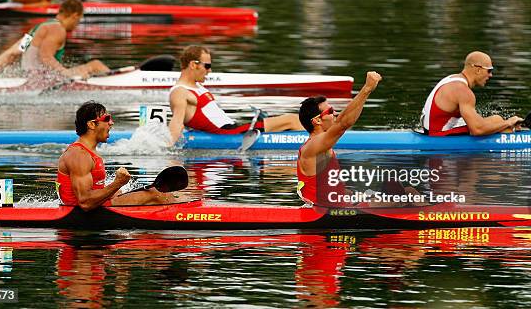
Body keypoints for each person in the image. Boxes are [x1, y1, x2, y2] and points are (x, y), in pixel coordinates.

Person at [168, 45, 304, 145]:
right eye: (207, 66)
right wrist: (166, 150)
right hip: (230, 133)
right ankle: (319, 145)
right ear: (193, 65)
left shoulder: (196, 86)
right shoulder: (180, 92)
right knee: (292, 120)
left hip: (234, 127)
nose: (209, 71)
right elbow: (177, 123)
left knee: (291, 121)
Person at [57, 101, 178, 211]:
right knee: (157, 194)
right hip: (83, 214)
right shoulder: (79, 155)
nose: (111, 123)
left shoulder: (88, 152)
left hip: (98, 208)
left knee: (161, 192)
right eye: (107, 119)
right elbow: (85, 203)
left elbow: (93, 192)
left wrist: (115, 191)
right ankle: (182, 215)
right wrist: (117, 183)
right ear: (92, 124)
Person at [0, 0, 109, 79]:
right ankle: (118, 81)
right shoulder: (58, 29)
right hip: (42, 81)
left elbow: (12, 53)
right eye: (79, 20)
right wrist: (68, 73)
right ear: (75, 16)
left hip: (33, 78)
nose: (77, 24)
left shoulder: (39, 28)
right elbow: (45, 57)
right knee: (96, 65)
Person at [297, 72, 382, 206]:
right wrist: (367, 89)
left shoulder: (322, 145)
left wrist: (357, 195)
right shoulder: (312, 146)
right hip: (325, 213)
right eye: (330, 111)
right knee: (397, 198)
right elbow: (344, 123)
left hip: (334, 208)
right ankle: (425, 218)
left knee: (404, 190)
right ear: (317, 120)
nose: (335, 113)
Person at [421, 51, 523, 136]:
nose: (491, 75)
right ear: (478, 70)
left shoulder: (453, 78)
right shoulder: (463, 91)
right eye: (489, 71)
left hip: (431, 131)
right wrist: (508, 123)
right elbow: (477, 130)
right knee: (501, 125)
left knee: (496, 119)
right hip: (437, 137)